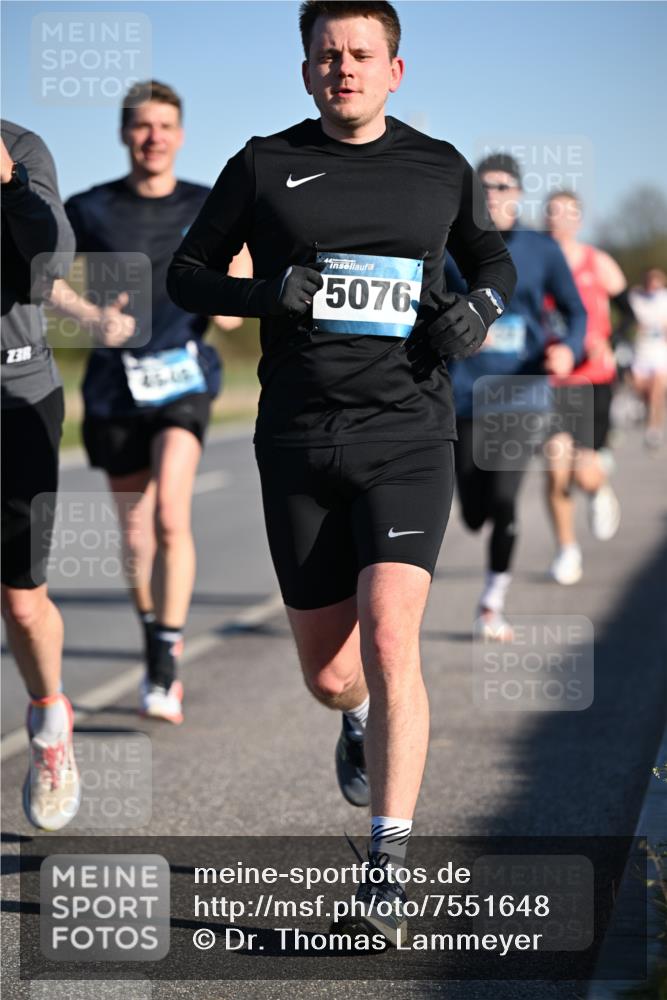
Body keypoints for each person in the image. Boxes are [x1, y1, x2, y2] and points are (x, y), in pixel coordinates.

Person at [167, 0, 516, 944]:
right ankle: (352, 721)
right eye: (327, 54)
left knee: (391, 637)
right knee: (332, 673)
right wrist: (261, 293)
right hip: (296, 442)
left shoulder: (438, 166)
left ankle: (386, 867)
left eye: (361, 54)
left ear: (394, 70)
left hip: (408, 435)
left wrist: (476, 307)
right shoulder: (261, 163)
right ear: (305, 67)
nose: (343, 68)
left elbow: (491, 260)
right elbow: (186, 274)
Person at [48, 80, 251, 725]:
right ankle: (153, 634)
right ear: (124, 134)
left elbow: (240, 258)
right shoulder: (90, 207)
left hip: (184, 378)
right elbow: (41, 272)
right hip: (114, 386)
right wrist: (86, 317)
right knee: (136, 532)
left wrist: (230, 297)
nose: (153, 137)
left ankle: (164, 661)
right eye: (141, 126)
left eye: (165, 125)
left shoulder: (205, 202)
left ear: (180, 134)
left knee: (169, 512)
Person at [448, 155, 586, 640]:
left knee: (505, 499)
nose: (493, 196)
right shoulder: (451, 248)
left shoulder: (542, 250)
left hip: (523, 392)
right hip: (465, 395)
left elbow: (576, 312)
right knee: (473, 512)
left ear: (519, 194)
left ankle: (491, 601)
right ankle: (480, 523)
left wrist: (568, 351)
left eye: (503, 187)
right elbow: (428, 306)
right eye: (484, 188)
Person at [1, 120, 80, 830]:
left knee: (22, 602)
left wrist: (7, 182)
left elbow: (49, 261)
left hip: (16, 397)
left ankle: (50, 722)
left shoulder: (19, 149)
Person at [543, 191, 634, 585]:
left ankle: (599, 491)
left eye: (569, 213)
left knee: (582, 472)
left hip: (593, 378)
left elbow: (630, 310)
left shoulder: (598, 263)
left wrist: (611, 345)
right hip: (548, 380)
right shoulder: (535, 262)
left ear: (580, 219)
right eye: (553, 212)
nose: (560, 219)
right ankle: (567, 550)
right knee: (553, 467)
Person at [628, 268, 667, 449]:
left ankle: (654, 430)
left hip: (660, 352)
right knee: (642, 389)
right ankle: (646, 410)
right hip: (640, 352)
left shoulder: (664, 299)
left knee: (656, 392)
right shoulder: (636, 298)